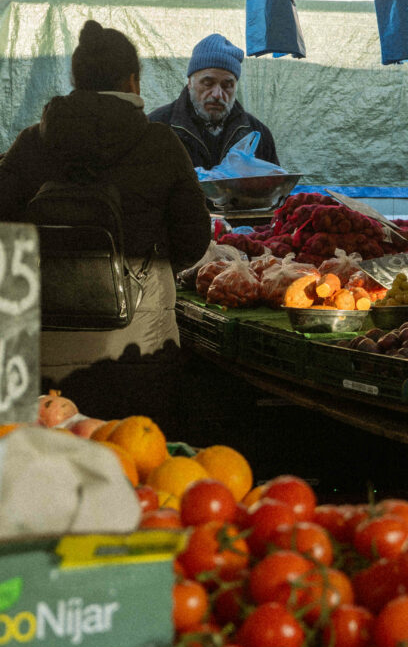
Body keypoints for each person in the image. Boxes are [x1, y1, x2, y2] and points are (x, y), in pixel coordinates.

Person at [0, 20, 212, 386]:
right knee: (132, 441)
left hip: (36, 347)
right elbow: (193, 238)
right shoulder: (160, 144)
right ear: (132, 81)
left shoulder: (30, 144)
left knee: (39, 441)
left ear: (77, 80)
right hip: (137, 348)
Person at [148, 34, 279, 169]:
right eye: (208, 83)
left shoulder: (256, 134)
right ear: (190, 83)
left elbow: (275, 187)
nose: (217, 94)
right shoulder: (157, 129)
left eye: (227, 85)